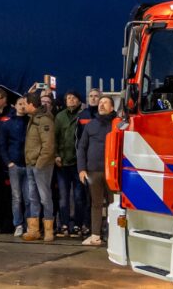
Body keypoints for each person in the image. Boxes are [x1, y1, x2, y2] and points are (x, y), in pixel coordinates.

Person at [79, 96, 120, 246]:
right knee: (95, 204)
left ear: (112, 108)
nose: (101, 105)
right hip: (93, 171)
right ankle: (95, 235)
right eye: (100, 103)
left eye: (105, 103)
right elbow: (82, 148)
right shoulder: (91, 125)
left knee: (113, 204)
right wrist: (82, 169)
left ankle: (114, 237)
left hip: (113, 172)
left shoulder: (118, 124)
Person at [21, 91, 58, 242]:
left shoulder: (43, 120)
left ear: (31, 104)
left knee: (44, 197)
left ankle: (49, 230)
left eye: (25, 103)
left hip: (40, 165)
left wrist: (39, 164)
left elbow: (48, 145)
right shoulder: (34, 118)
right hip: (31, 163)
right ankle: (34, 230)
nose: (23, 106)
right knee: (33, 197)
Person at [0, 90, 28, 235]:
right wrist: (6, 161)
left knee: (23, 196)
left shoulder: (13, 117)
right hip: (3, 162)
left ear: (4, 100)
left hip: (20, 162)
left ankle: (18, 224)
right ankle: (5, 223)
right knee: (9, 195)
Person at [54, 91, 87, 237]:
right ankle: (64, 224)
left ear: (79, 101)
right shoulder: (60, 116)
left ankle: (77, 225)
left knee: (79, 197)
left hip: (78, 163)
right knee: (63, 197)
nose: (71, 100)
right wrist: (56, 155)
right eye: (68, 98)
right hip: (62, 163)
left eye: (74, 97)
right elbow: (54, 137)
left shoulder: (83, 115)